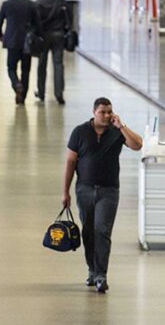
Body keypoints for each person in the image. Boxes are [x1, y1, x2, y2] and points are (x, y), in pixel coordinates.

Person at [61, 97, 143, 292]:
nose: (106, 116)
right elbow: (70, 162)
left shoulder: (116, 132)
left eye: (109, 112)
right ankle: (92, 269)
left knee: (102, 231)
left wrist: (121, 125)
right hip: (85, 189)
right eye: (102, 112)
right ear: (94, 113)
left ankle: (101, 275)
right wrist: (65, 192)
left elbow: (137, 144)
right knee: (88, 232)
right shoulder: (80, 132)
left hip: (109, 191)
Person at [0, 0, 39, 104]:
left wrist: (0, 35)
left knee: (11, 68)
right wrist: (37, 36)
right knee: (26, 70)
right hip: (27, 43)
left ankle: (16, 84)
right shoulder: (30, 4)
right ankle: (23, 97)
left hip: (12, 42)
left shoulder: (7, 4)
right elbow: (37, 23)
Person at [34, 0, 68, 104]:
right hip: (58, 35)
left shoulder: (38, 3)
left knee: (42, 64)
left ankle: (41, 92)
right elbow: (67, 16)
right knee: (58, 64)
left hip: (43, 36)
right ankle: (59, 93)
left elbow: (36, 22)